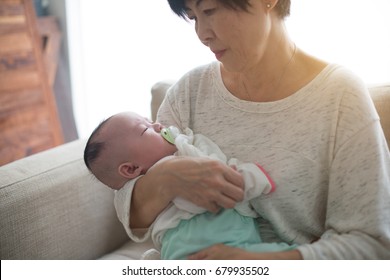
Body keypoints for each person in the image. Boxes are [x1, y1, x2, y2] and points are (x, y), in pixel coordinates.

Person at [118, 0, 390, 259]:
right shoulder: (189, 92)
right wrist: (165, 178)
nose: (202, 34)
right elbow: (130, 211)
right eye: (193, 17)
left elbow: (372, 241)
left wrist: (260, 262)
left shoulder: (340, 96)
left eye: (209, 11)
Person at [83, 111, 296, 259]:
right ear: (131, 169)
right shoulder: (171, 166)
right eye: (145, 129)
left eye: (150, 121)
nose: (157, 125)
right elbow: (213, 190)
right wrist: (252, 178)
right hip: (199, 248)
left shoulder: (182, 151)